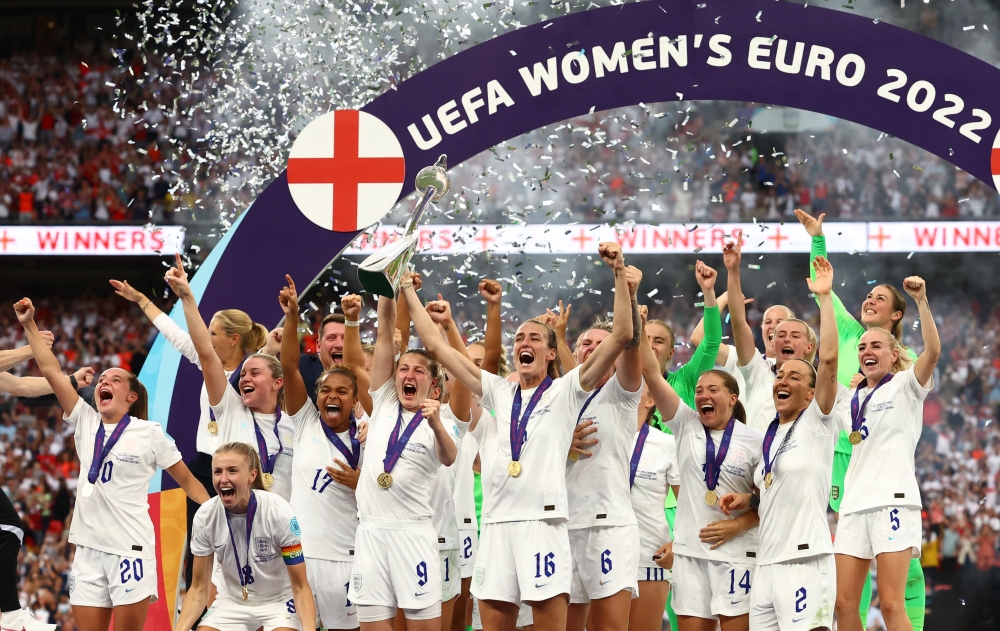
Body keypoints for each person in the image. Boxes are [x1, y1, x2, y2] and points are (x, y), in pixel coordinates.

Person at [403, 242, 633, 631]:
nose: (524, 343)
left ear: (550, 355)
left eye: (535, 339)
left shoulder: (567, 391)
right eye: (519, 338)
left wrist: (618, 273)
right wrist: (407, 288)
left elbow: (623, 334)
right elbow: (437, 348)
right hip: (496, 526)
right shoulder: (498, 391)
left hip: (543, 526)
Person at [14, 297, 209, 631]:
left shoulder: (150, 433)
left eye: (115, 380)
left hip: (129, 548)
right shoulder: (86, 420)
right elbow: (50, 370)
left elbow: (188, 481)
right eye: (102, 378)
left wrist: (215, 514)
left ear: (132, 396)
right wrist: (29, 324)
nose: (104, 382)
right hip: (88, 549)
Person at [796, 208, 925, 629]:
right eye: (869, 297)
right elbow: (824, 292)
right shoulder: (850, 333)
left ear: (896, 317)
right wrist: (817, 238)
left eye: (880, 300)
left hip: (881, 474)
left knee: (900, 582)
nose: (869, 301)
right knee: (847, 586)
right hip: (841, 465)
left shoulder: (903, 373)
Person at [110, 274, 268, 592]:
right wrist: (142, 300)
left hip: (242, 470)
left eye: (212, 333)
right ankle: (197, 619)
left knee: (243, 550)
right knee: (200, 551)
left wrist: (187, 298)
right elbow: (176, 335)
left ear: (234, 339)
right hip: (204, 467)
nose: (205, 338)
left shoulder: (254, 372)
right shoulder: (210, 363)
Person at [718, 249, 840, 631]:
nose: (782, 381)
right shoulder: (771, 435)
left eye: (795, 377)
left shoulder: (819, 420)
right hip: (766, 560)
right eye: (780, 376)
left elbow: (832, 361)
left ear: (812, 390)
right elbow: (774, 483)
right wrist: (749, 498)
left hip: (803, 557)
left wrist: (824, 297)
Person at [639, 262, 763, 631]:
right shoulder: (676, 416)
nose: (703, 396)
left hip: (726, 540)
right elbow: (644, 369)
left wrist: (713, 295)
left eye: (713, 391)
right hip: (682, 537)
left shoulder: (752, 439)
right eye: (699, 393)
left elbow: (770, 500)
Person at [347, 287, 458, 631]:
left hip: (413, 536)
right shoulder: (382, 403)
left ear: (434, 387)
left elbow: (450, 458)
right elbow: (384, 331)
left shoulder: (438, 421)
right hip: (370, 534)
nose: (408, 375)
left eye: (418, 371)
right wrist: (386, 284)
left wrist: (437, 422)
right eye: (403, 369)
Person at [833, 277, 940, 631]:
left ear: (893, 354)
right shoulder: (851, 399)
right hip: (853, 504)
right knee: (844, 604)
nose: (867, 350)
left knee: (892, 605)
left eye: (877, 345)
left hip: (892, 501)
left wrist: (921, 300)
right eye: (863, 346)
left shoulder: (906, 384)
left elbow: (933, 352)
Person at [164, 255, 296, 501]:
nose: (244, 379)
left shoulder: (294, 424)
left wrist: (292, 319)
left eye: (254, 373)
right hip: (234, 524)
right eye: (243, 374)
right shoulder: (231, 410)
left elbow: (293, 368)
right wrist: (187, 298)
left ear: (278, 382)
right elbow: (205, 352)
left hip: (280, 527)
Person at [279, 275, 364, 630]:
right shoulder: (306, 423)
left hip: (348, 558)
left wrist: (363, 482)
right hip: (300, 559)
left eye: (342, 391)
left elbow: (390, 490)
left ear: (356, 400)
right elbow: (288, 367)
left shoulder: (368, 438)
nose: (332, 395)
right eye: (325, 389)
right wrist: (292, 317)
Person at [562, 264, 643, 631]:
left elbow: (630, 344)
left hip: (607, 524)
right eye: (585, 344)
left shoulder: (622, 394)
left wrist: (628, 291)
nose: (592, 348)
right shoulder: (554, 399)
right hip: (559, 523)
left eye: (601, 343)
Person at [176, 442, 316, 631]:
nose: (223, 479)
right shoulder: (205, 516)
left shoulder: (278, 512)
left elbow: (300, 587)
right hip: (232, 601)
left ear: (252, 475)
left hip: (278, 600)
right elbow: (198, 590)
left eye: (232, 471)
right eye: (218, 472)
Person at [627, 379, 680, 631]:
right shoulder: (596, 435)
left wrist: (677, 542)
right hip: (601, 549)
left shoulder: (666, 444)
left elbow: (689, 504)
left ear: (651, 402)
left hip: (649, 554)